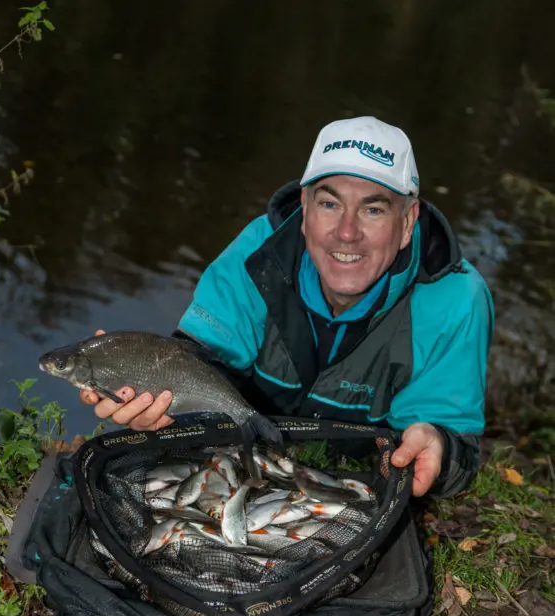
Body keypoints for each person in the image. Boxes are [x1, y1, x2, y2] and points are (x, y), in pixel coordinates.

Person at [81, 116, 494, 498]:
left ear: (407, 222)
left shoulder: (455, 301)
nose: (347, 232)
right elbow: (197, 368)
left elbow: (459, 450)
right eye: (329, 204)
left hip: (349, 482)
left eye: (372, 209)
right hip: (242, 461)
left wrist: (437, 445)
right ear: (304, 209)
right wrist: (159, 405)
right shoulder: (255, 256)